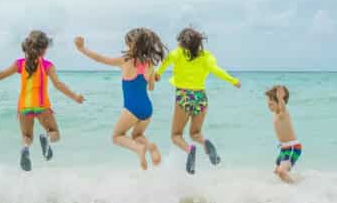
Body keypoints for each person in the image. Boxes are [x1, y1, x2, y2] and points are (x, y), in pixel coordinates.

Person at [0, 30, 84, 171]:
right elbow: (58, 85)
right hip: (42, 106)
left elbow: (0, 75)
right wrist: (75, 97)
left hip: (24, 107)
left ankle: (25, 148)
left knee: (27, 137)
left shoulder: (20, 64)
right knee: (54, 132)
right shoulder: (48, 65)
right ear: (44, 49)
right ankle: (46, 139)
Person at [74, 28, 166, 170]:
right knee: (137, 134)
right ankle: (150, 146)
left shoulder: (125, 61)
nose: (126, 47)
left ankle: (139, 149)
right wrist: (153, 77)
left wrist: (82, 49)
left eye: (127, 44)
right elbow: (151, 87)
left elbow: (100, 58)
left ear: (133, 45)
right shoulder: (149, 64)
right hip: (147, 109)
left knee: (117, 136)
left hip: (131, 107)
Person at [155, 27, 240, 174]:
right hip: (201, 97)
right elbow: (217, 71)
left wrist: (156, 75)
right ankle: (204, 143)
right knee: (195, 133)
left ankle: (190, 150)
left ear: (181, 42)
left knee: (176, 135)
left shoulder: (177, 53)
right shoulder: (207, 57)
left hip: (184, 96)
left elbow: (162, 68)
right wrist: (233, 81)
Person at [265, 85, 301, 184]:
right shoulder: (275, 114)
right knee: (277, 172)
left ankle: (296, 188)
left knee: (281, 172)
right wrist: (271, 93)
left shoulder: (283, 113)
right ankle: (288, 188)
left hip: (292, 147)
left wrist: (280, 97)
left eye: (271, 104)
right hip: (284, 148)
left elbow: (283, 107)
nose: (268, 106)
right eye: (267, 104)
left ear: (280, 103)